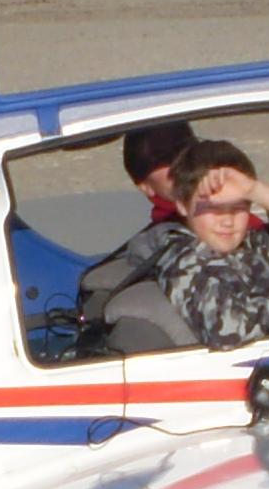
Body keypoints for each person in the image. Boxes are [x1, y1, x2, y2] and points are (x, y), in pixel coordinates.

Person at [154, 139, 269, 350]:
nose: (227, 221)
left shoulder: (245, 247)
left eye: (239, 208)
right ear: (182, 205)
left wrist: (254, 189)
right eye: (213, 208)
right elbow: (225, 329)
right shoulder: (183, 261)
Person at [74, 121, 197, 349]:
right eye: (165, 160)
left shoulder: (228, 211)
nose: (181, 164)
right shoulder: (166, 239)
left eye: (187, 151)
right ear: (146, 187)